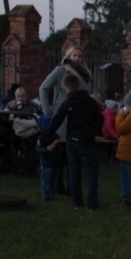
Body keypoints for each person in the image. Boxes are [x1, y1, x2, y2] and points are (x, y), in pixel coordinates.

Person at [43, 74, 103, 210]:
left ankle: (77, 202)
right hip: (87, 139)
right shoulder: (91, 102)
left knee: (74, 171)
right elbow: (100, 120)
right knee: (91, 171)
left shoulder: (68, 103)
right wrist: (94, 129)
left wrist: (44, 137)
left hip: (72, 139)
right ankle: (92, 202)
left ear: (66, 87)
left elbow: (56, 121)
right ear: (78, 85)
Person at [40, 46, 92, 194]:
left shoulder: (84, 74)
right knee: (60, 151)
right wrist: (47, 111)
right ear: (69, 56)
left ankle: (72, 186)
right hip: (61, 114)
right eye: (74, 55)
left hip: (78, 115)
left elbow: (87, 90)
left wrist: (76, 73)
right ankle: (58, 185)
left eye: (79, 56)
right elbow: (43, 88)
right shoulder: (59, 71)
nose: (77, 58)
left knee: (73, 153)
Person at [36, 128, 62, 201]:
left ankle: (51, 195)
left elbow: (38, 149)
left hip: (53, 163)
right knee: (47, 181)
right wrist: (47, 149)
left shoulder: (54, 136)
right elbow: (38, 149)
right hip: (47, 163)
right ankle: (46, 195)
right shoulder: (43, 137)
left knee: (52, 181)